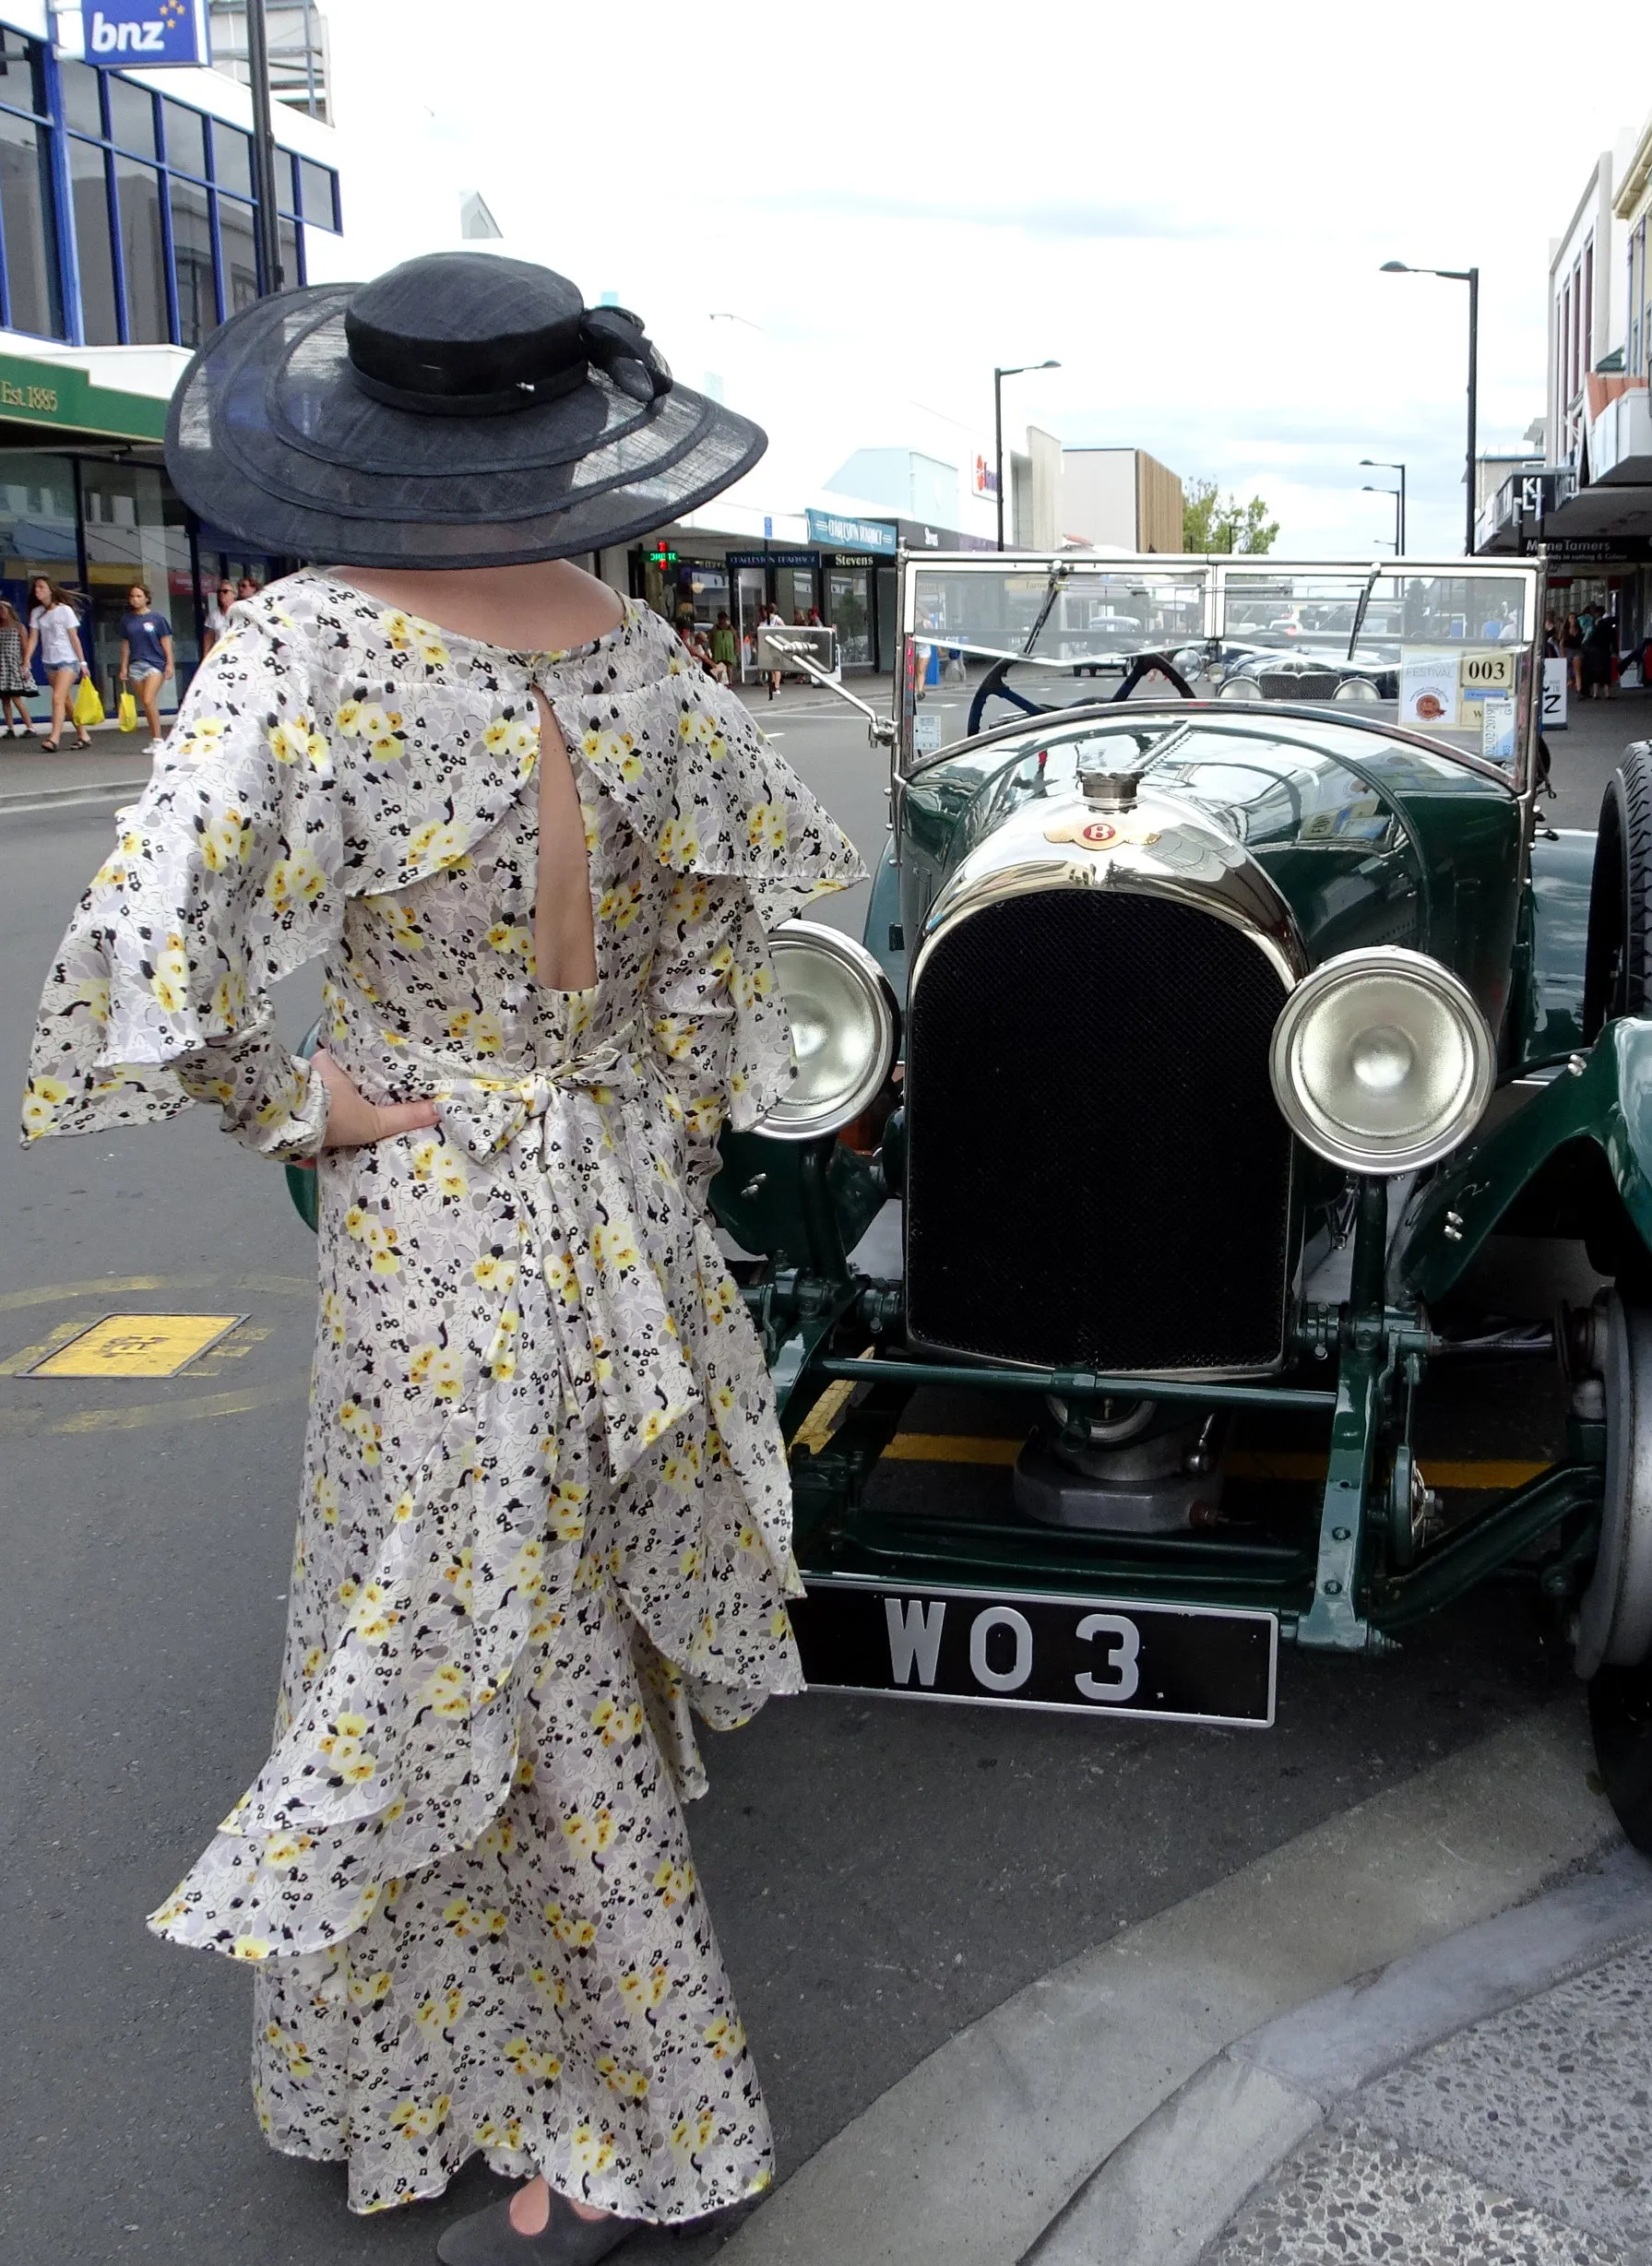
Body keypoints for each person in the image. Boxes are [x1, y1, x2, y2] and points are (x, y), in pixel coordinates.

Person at [23, 251, 860, 2266]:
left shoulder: (310, 645)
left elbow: (154, 950)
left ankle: (630, 2112)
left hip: (437, 1220)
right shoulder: (648, 661)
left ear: (373, 434)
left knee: (485, 1644)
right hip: (612, 1206)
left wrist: (290, 1101)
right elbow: (705, 998)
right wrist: (639, 1175)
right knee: (509, 1623)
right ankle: (409, 2066)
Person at [22, 575, 91, 751]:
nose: (38, 590)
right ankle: (83, 734)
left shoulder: (65, 610)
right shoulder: (37, 613)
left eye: (41, 587)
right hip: (49, 662)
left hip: (68, 661)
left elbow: (74, 638)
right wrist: (27, 660)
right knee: (66, 701)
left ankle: (54, 738)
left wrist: (82, 662)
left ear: (50, 590)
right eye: (36, 588)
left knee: (57, 697)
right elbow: (33, 638)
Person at [117, 581, 175, 750]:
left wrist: (169, 664)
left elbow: (165, 642)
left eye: (138, 596)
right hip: (136, 665)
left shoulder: (156, 618)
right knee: (146, 703)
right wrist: (123, 667)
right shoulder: (127, 620)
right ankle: (155, 738)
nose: (135, 600)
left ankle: (158, 740)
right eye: (132, 596)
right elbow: (126, 644)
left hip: (155, 664)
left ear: (146, 598)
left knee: (149, 698)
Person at [0, 596, 38, 736]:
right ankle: (10, 728)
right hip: (1, 667)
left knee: (16, 698)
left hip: (14, 666)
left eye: (3, 609)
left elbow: (25, 647)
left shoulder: (18, 627)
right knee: (4, 699)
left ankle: (30, 727)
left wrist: (26, 665)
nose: (1, 612)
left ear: (9, 610)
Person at [203, 576, 237, 655]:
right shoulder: (214, 614)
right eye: (219, 591)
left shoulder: (240, 612)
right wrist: (205, 657)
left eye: (225, 591)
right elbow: (209, 637)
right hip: (219, 654)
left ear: (234, 594)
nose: (221, 594)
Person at [759, 599, 783, 701]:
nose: (762, 614)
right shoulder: (765, 621)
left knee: (776, 666)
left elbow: (783, 628)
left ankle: (776, 687)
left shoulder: (776, 619)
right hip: (768, 645)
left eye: (764, 611)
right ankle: (772, 684)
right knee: (771, 666)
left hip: (775, 644)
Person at [708, 609, 737, 686]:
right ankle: (719, 680)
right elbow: (711, 638)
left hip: (728, 649)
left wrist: (736, 648)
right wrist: (712, 648)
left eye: (724, 619)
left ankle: (730, 680)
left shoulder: (730, 628)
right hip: (719, 649)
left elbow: (735, 638)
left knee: (728, 665)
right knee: (719, 665)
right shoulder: (715, 628)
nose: (722, 621)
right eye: (721, 619)